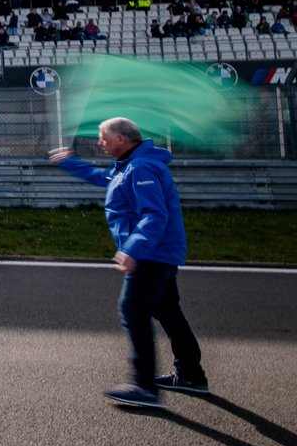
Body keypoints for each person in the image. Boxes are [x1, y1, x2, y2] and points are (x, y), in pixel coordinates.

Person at [49, 117, 207, 409]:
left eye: (104, 137)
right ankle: (191, 376)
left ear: (122, 139)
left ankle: (144, 387)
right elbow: (103, 178)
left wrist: (132, 249)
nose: (100, 142)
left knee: (132, 309)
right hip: (159, 252)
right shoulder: (129, 166)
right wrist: (70, 163)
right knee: (167, 310)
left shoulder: (141, 167)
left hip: (151, 253)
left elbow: (154, 215)